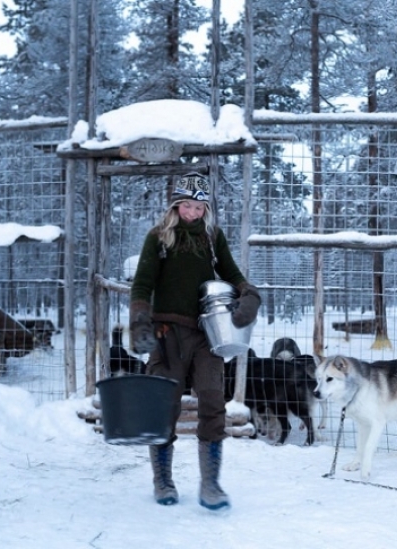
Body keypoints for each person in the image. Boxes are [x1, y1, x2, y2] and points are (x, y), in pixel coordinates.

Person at [128, 171, 261, 511]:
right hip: (166, 334)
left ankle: (211, 483)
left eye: (199, 207)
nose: (193, 213)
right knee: (164, 408)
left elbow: (232, 273)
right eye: (186, 206)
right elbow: (143, 284)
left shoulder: (212, 237)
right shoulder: (159, 238)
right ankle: (163, 480)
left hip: (206, 334)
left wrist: (249, 293)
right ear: (175, 206)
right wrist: (140, 321)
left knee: (213, 402)